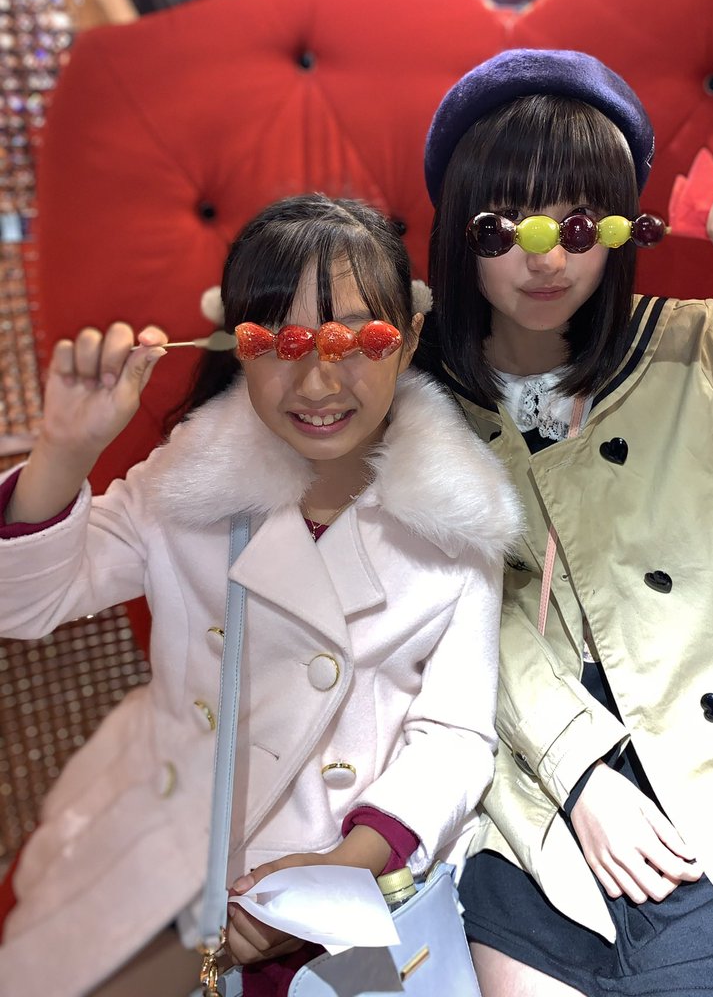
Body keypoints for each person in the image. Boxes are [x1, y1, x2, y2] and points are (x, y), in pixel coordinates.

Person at [415, 48, 713, 997]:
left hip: (701, 767)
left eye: (577, 223)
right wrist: (578, 771)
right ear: (459, 232)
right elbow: (449, 613)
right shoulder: (414, 394)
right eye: (502, 226)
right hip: (526, 781)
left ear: (619, 228)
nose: (546, 258)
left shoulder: (700, 355)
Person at [0, 194, 521, 997]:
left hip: (360, 867)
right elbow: (27, 603)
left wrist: (340, 871)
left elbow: (454, 737)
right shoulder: (186, 485)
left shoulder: (458, 522)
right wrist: (65, 452)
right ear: (237, 346)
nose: (318, 381)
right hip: (179, 851)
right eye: (278, 342)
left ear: (410, 338)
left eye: (359, 340)